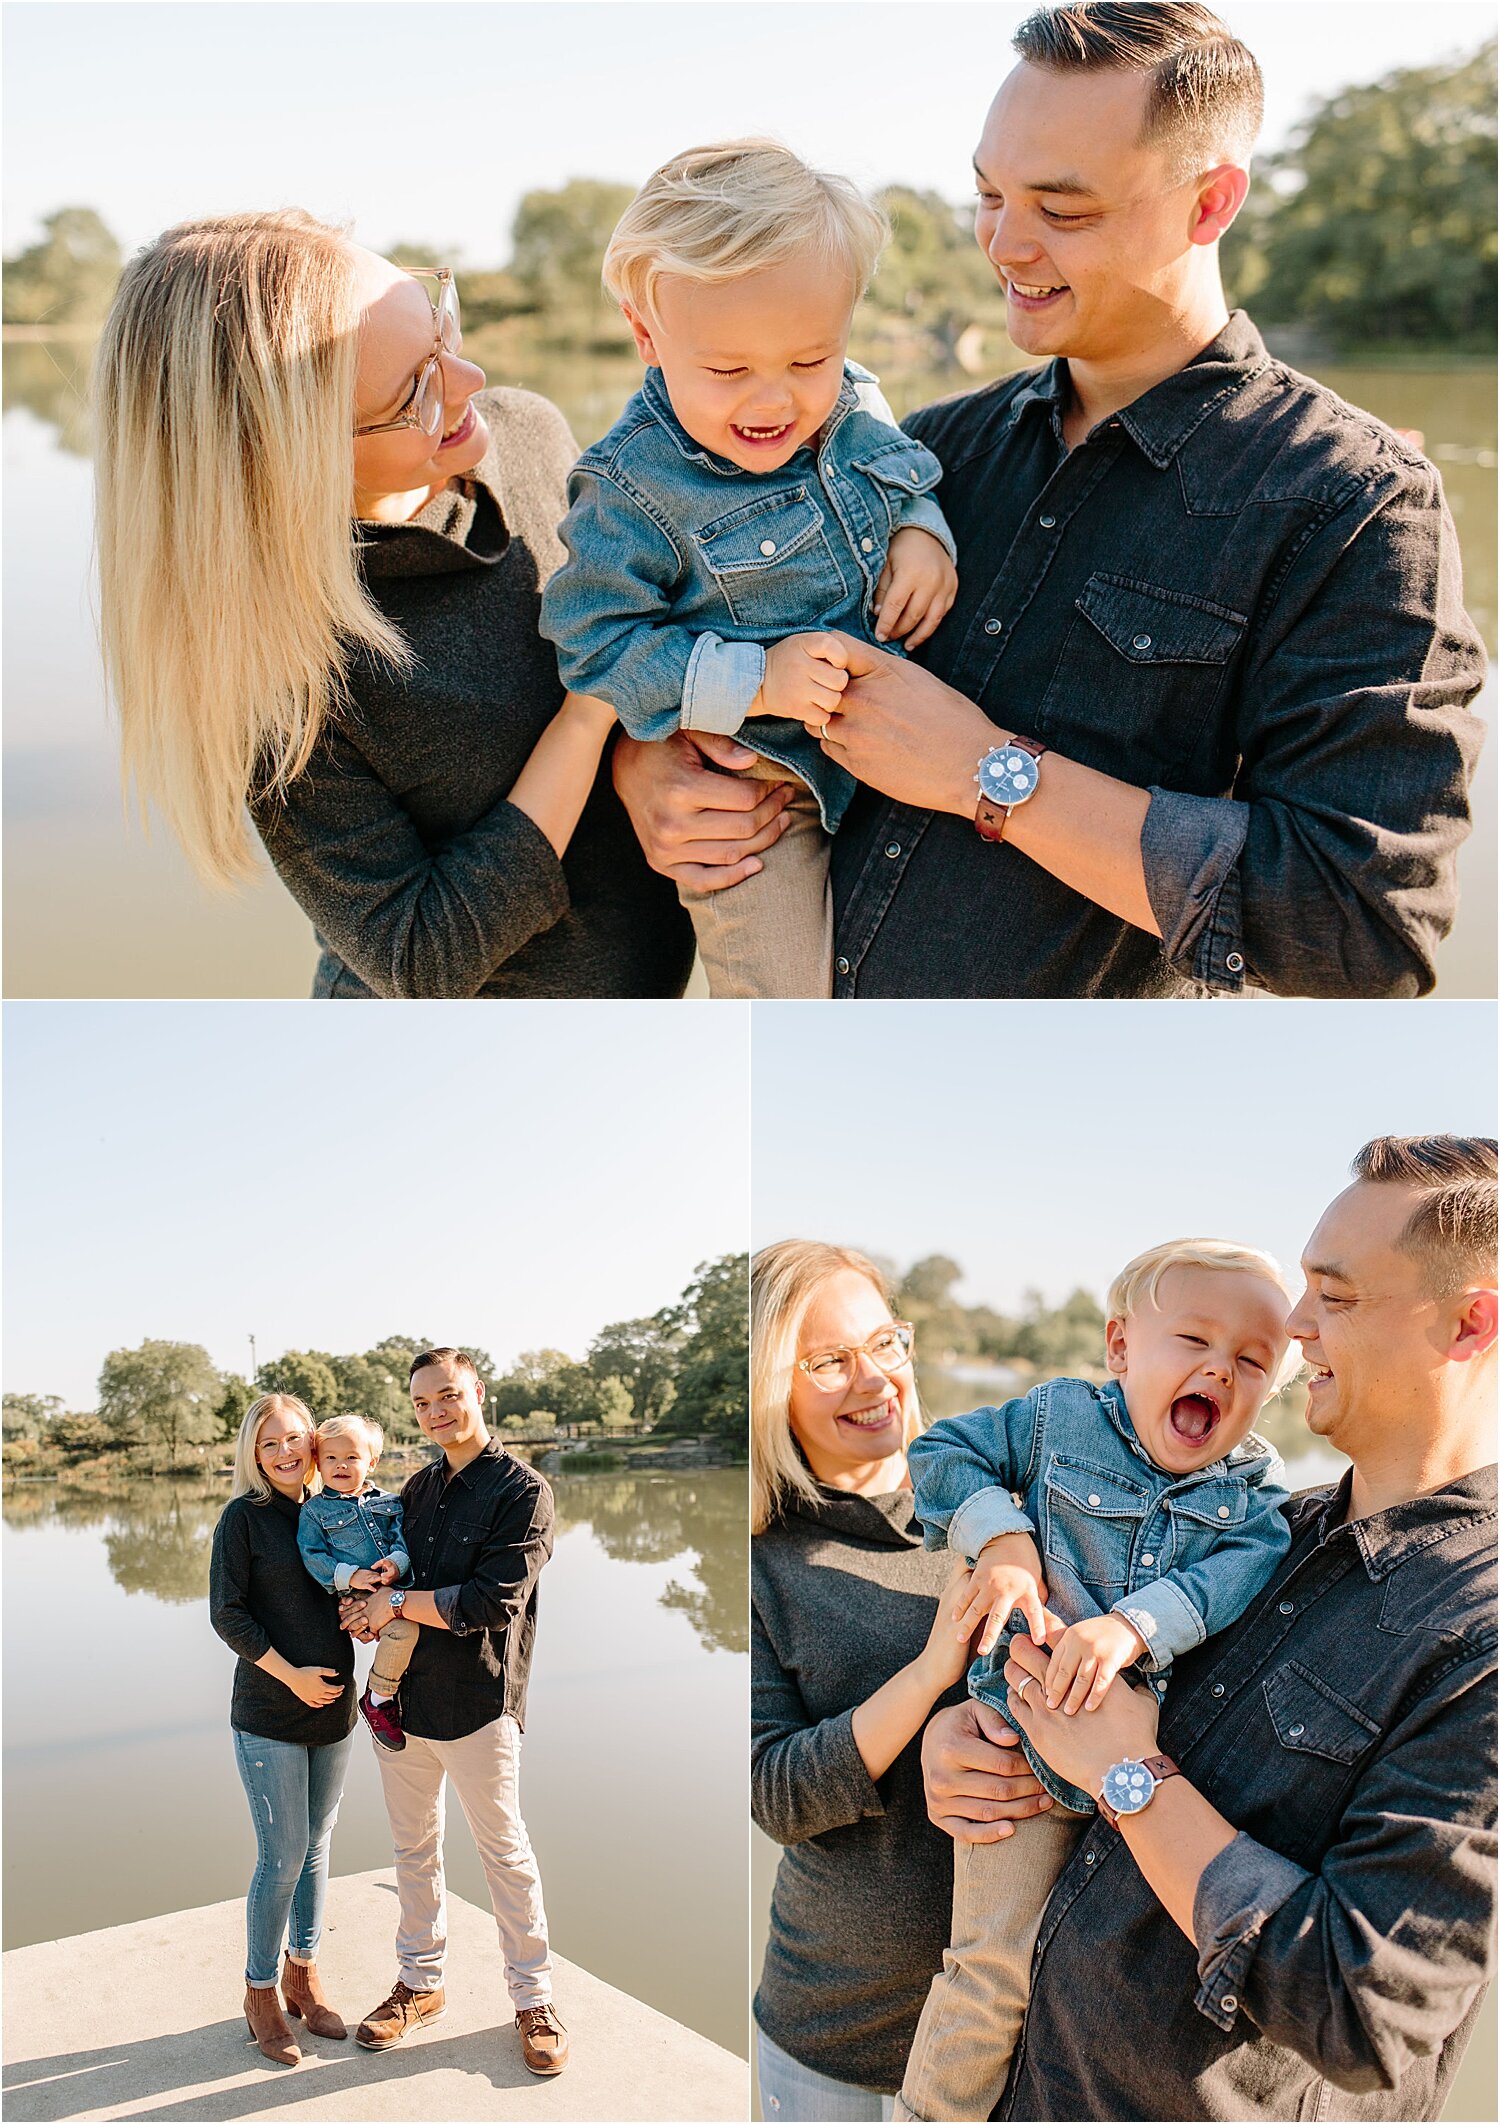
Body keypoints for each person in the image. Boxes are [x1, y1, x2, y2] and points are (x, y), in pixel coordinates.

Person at [612, 3, 1485, 1000]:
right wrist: (651, 775)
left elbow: (1365, 931)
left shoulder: (1356, 504)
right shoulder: (920, 450)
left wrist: (986, 772)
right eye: (988, 194)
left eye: (1062, 210)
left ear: (1209, 204)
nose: (1005, 246)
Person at [921, 1135, 1497, 2121]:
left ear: (1471, 1323)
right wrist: (964, 1735)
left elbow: (1365, 2016)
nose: (1299, 1325)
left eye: (1338, 1296)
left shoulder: (1479, 1633)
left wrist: (1129, 1778)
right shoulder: (1264, 1527)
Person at [92, 209, 692, 999]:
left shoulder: (530, 433)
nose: (469, 381)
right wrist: (588, 718)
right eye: (417, 390)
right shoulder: (278, 666)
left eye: (441, 330)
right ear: (282, 460)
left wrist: (643, 754)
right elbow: (418, 959)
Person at [539, 140, 957, 999]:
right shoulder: (629, 487)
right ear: (647, 334)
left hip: (900, 742)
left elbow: (896, 466)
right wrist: (757, 680)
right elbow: (594, 646)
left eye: (809, 359)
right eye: (728, 370)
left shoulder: (845, 398)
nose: (775, 401)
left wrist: (922, 530)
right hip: (760, 789)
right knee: (780, 997)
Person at [897, 1239, 1295, 2122]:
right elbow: (938, 1454)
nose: (1217, 1370)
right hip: (1016, 1755)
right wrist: (1003, 1540)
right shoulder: (1055, 1422)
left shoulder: (1259, 1504)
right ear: (1120, 1347)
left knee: (1082, 1990)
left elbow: (1225, 1578)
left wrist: (1130, 1627)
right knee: (990, 1973)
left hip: (1141, 1794)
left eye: (1251, 1360)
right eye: (1191, 1340)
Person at [751, 1240, 1051, 2121]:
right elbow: (774, 1793)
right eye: (830, 1361)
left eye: (885, 1343)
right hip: (834, 2029)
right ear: (772, 1385)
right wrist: (927, 1682)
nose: (875, 1379)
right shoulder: (763, 1564)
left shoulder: (1016, 1502)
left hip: (1023, 2031)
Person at [337, 1348, 569, 2078]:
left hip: (479, 1705)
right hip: (401, 1705)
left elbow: (487, 1604)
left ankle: (534, 2002)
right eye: (422, 1404)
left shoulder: (524, 1493)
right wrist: (365, 1606)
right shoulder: (416, 1489)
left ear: (477, 1393)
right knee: (413, 1854)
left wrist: (394, 1604)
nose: (435, 1411)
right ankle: (419, 1985)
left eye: (447, 1396)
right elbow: (393, 1576)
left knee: (504, 1856)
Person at [208, 1393, 356, 2068]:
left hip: (335, 1712)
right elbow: (228, 1616)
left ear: (315, 1442)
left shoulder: (339, 1514)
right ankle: (260, 1990)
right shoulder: (244, 1519)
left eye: (295, 1438)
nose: (286, 1452)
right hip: (269, 1712)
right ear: (254, 1453)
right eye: (270, 1444)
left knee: (319, 1848)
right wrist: (291, 1674)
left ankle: (304, 1972)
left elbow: (367, 1588)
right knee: (282, 1856)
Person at [297, 1414, 417, 1752]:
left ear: (372, 1461)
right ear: (318, 1462)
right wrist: (350, 1575)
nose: (341, 1465)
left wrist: (396, 1564)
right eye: (331, 1458)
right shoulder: (315, 1511)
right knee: (405, 1632)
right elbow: (312, 1555)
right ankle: (379, 1701)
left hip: (392, 1588)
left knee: (412, 1632)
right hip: (352, 1594)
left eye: (352, 1457)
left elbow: (401, 1541)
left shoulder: (390, 1502)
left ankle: (384, 1693)